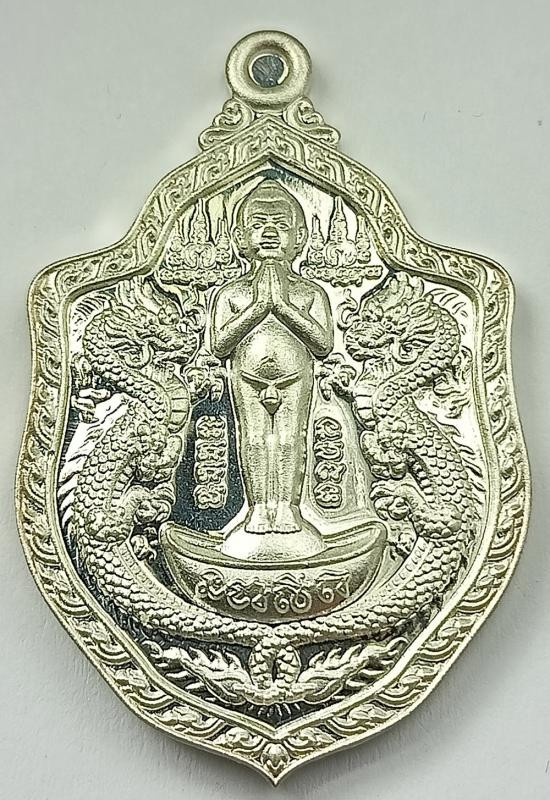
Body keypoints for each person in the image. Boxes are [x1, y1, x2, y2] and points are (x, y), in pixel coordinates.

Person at [210, 181, 333, 557]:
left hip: (294, 376)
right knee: (254, 438)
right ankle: (260, 509)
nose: (268, 232)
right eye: (258, 224)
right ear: (239, 237)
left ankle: (287, 509)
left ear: (300, 238)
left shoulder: (310, 292)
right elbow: (220, 344)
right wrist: (259, 306)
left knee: (290, 439)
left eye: (280, 225)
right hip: (247, 376)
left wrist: (282, 305)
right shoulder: (231, 293)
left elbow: (323, 343)